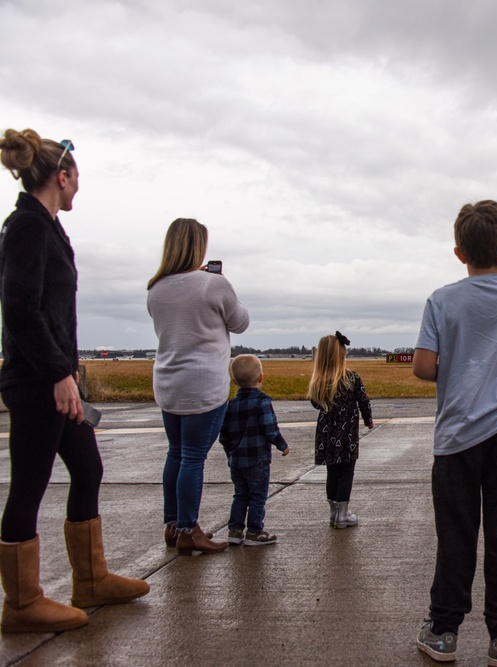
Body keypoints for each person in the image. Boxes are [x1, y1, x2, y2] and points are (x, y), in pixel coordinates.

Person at [0, 129, 149, 633]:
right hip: (37, 381)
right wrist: (59, 373)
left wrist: (68, 372)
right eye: (77, 177)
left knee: (87, 470)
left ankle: (91, 580)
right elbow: (19, 309)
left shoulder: (47, 226)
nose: (79, 186)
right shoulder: (27, 227)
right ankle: (21, 605)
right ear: (61, 176)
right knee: (29, 486)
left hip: (57, 379)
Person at [412, 200, 497, 666]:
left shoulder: (441, 300)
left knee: (456, 536)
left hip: (456, 435)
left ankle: (444, 631)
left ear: (458, 252)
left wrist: (461, 367)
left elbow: (424, 368)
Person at [147, 218, 249, 556]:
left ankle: (173, 524)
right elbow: (240, 322)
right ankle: (190, 530)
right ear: (197, 246)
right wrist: (217, 281)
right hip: (202, 384)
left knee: (175, 454)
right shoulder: (212, 285)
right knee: (193, 458)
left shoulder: (156, 288)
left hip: (168, 381)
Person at [219, 355, 290, 547]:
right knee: (257, 496)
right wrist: (281, 444)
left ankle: (234, 530)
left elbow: (223, 434)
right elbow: (270, 428)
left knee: (240, 494)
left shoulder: (230, 405)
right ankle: (255, 531)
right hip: (257, 459)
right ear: (261, 377)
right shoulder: (262, 402)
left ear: (234, 381)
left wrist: (230, 452)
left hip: (236, 460)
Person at [307, 332, 373, 529]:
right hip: (347, 435)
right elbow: (363, 400)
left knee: (332, 472)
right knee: (347, 472)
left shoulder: (319, 382)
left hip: (327, 434)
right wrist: (368, 419)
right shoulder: (352, 378)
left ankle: (334, 513)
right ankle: (343, 514)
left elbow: (315, 404)